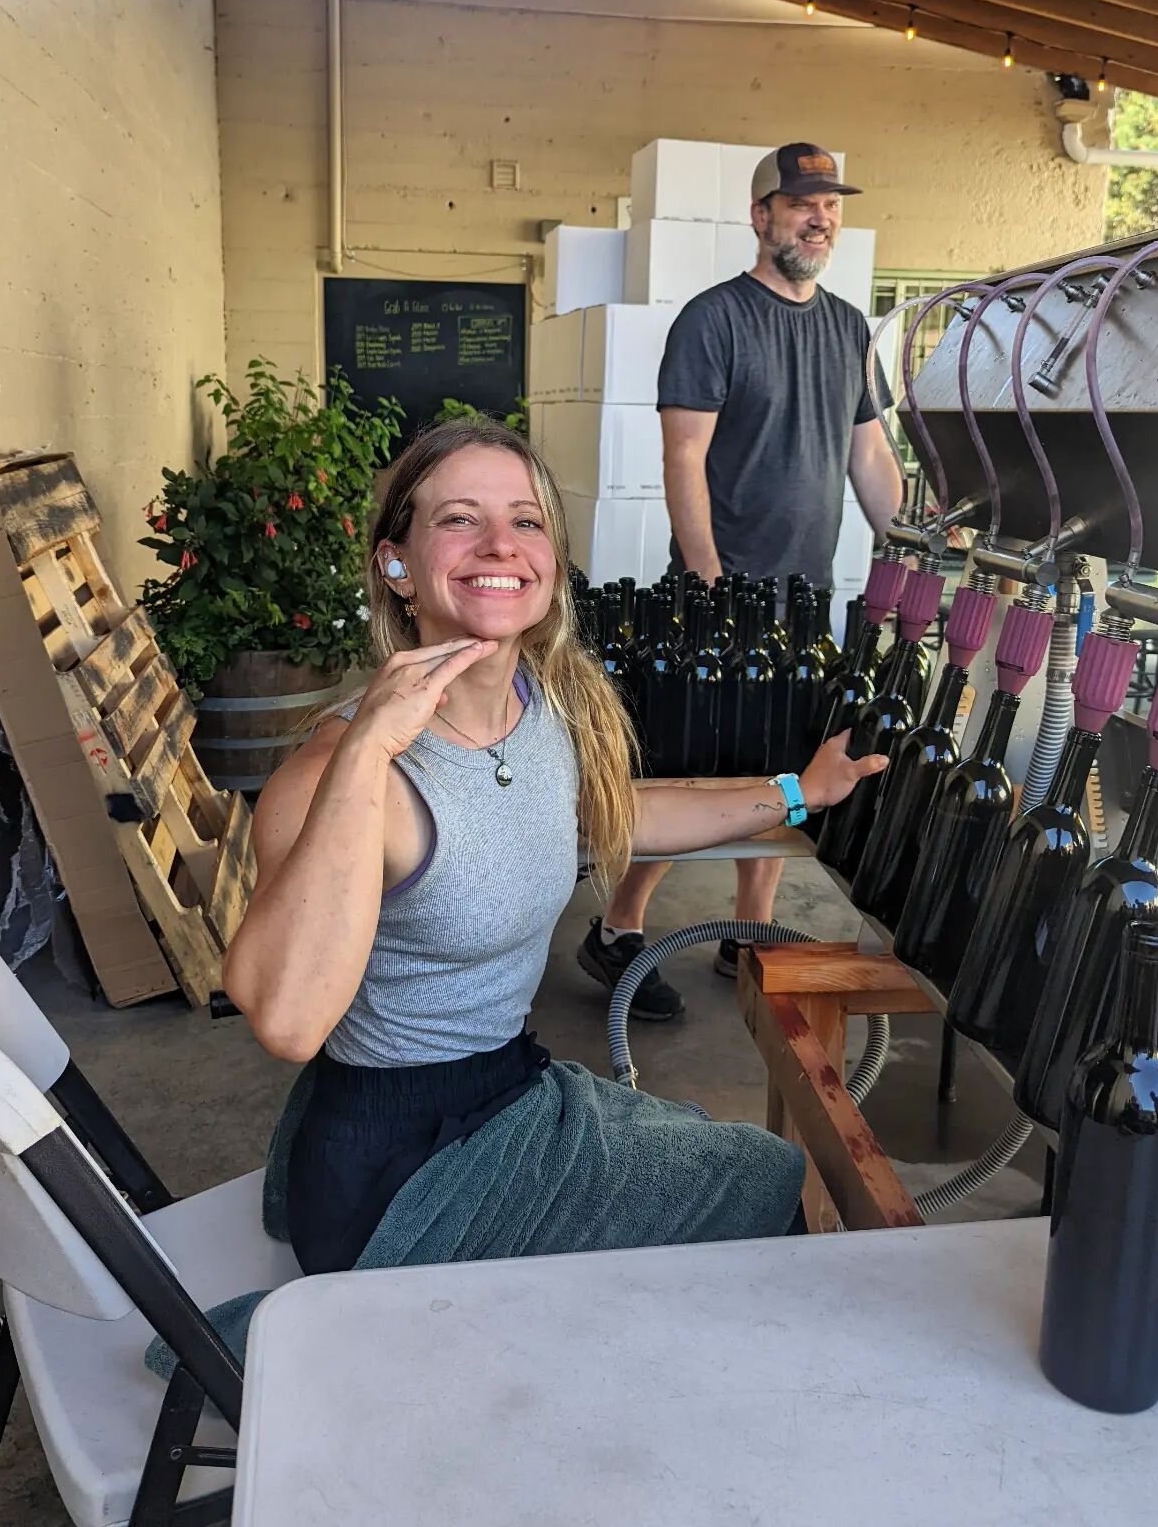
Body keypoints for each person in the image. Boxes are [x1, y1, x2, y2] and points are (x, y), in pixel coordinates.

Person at [221, 420, 885, 1274]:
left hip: (510, 1092)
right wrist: (366, 749)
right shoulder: (336, 775)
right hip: (401, 1174)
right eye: (459, 519)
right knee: (768, 1185)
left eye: (526, 520)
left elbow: (621, 813)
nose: (500, 543)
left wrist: (800, 791)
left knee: (740, 1159)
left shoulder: (543, 704)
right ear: (397, 563)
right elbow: (285, 1019)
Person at [577, 143, 905, 1016]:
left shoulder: (847, 328)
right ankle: (615, 931)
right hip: (719, 600)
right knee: (694, 775)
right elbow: (682, 457)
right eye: (801, 202)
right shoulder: (714, 319)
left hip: (804, 600)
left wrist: (908, 548)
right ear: (760, 216)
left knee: (786, 772)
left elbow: (868, 453)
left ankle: (746, 936)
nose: (819, 217)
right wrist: (710, 581)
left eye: (831, 203)